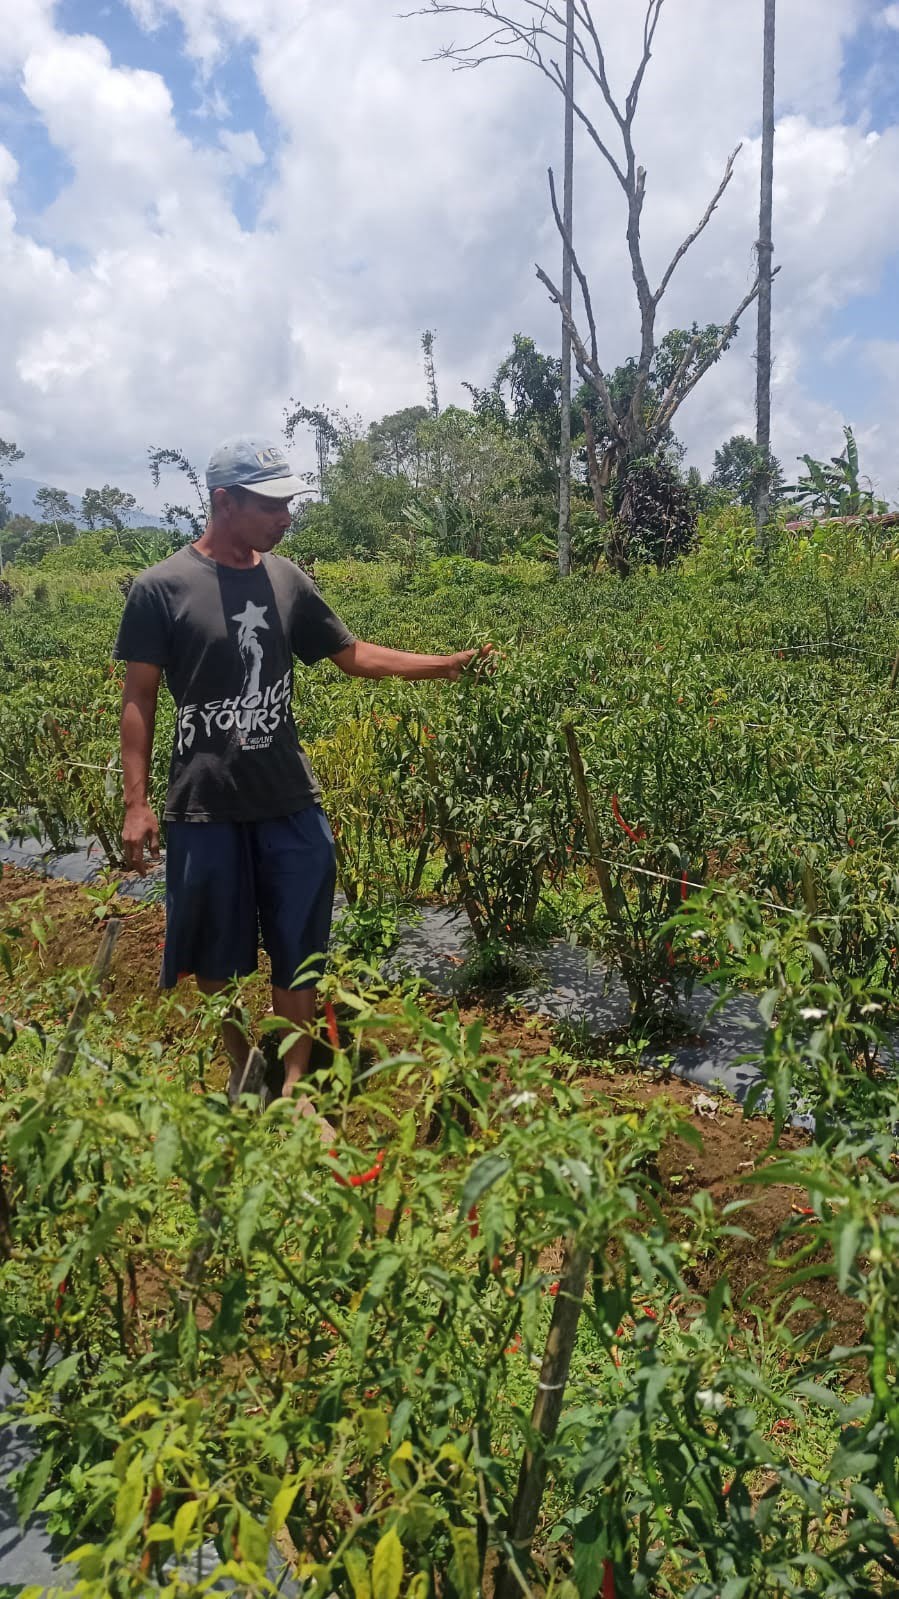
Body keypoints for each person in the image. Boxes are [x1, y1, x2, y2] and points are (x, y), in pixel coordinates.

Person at [114, 435, 487, 1109]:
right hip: (204, 804)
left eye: (289, 503)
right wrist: (136, 803)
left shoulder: (286, 580)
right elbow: (138, 697)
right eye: (271, 504)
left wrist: (442, 664)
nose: (285, 517)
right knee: (215, 953)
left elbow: (351, 654)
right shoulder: (160, 588)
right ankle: (241, 1066)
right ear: (223, 501)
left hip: (286, 798)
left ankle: (294, 1087)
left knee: (299, 943)